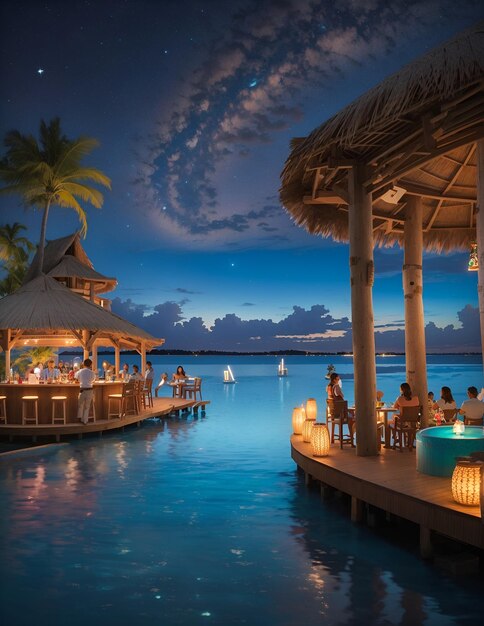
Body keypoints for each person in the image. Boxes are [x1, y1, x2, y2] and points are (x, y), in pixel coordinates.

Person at [75, 358, 97, 424]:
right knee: (87, 406)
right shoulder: (92, 373)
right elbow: (93, 380)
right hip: (90, 390)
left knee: (80, 405)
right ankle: (85, 421)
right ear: (91, 365)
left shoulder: (79, 372)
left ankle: (79, 418)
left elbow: (76, 379)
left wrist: (80, 381)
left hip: (82, 390)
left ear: (83, 364)